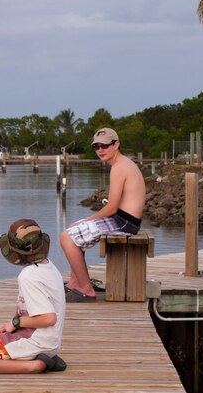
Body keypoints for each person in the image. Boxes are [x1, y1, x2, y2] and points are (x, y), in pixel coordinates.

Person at [0, 219, 67, 374]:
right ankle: (39, 357)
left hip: (35, 341)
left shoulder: (28, 276)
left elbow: (48, 318)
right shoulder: (49, 266)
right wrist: (12, 325)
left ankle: (35, 364)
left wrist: (15, 323)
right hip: (48, 341)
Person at [62, 127, 146, 302]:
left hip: (124, 222)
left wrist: (86, 220)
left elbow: (112, 207)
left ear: (116, 145)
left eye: (105, 146)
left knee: (67, 237)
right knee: (74, 232)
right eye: (97, 147)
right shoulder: (123, 163)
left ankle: (86, 289)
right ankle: (74, 283)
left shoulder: (119, 167)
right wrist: (83, 222)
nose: (100, 150)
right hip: (124, 219)